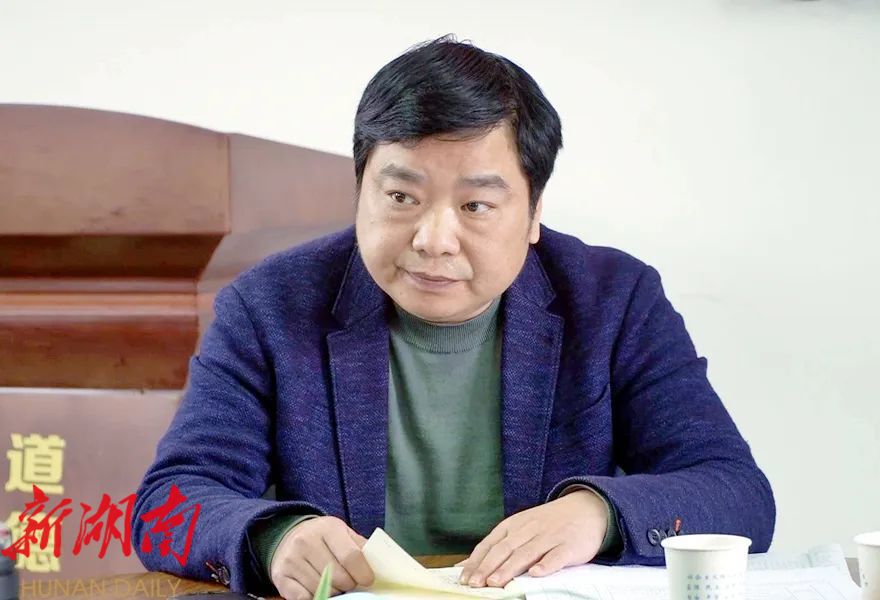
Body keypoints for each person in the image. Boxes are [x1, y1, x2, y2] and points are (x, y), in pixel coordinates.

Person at [132, 35, 776, 600]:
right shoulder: (269, 306)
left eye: (475, 206)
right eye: (401, 196)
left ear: (533, 212)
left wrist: (598, 515)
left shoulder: (615, 300)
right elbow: (166, 506)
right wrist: (271, 536)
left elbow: (737, 492)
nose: (433, 240)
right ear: (360, 192)